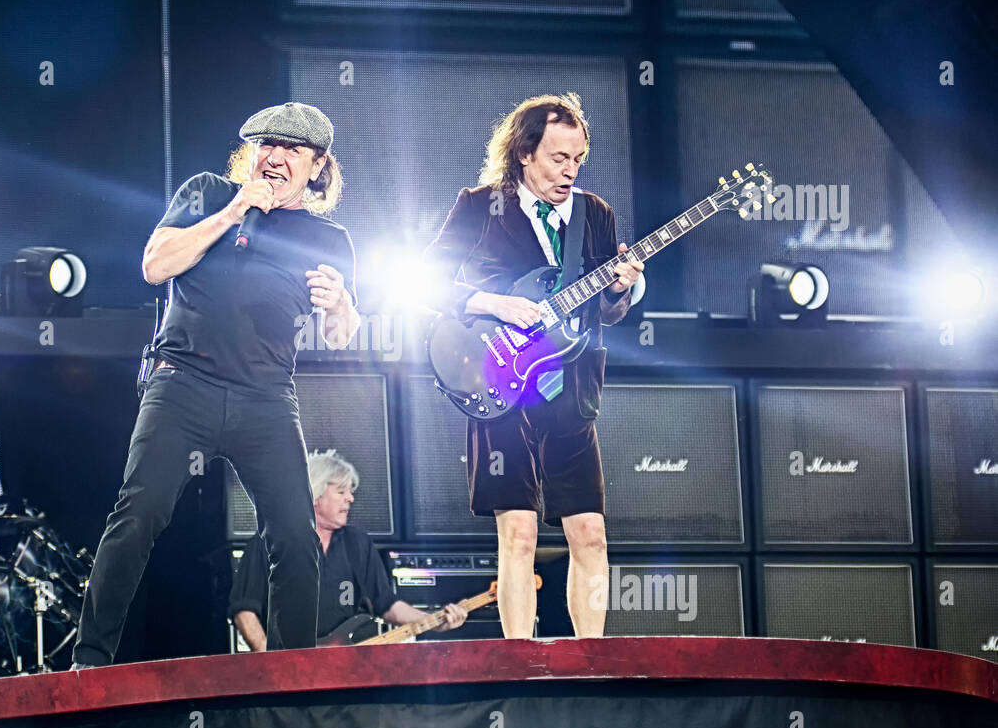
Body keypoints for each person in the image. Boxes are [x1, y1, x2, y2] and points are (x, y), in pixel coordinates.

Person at [72, 103, 361, 667]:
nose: (275, 158)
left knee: (296, 540)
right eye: (265, 146)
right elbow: (156, 267)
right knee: (139, 514)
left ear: (317, 165)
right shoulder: (207, 193)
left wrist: (342, 304)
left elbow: (342, 332)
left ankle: (292, 677)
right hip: (184, 383)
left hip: (267, 398)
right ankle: (90, 662)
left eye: (291, 150)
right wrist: (234, 211)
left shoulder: (329, 238)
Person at [423, 93, 643, 639]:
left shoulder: (595, 214)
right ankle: (519, 662)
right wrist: (493, 304)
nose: (568, 171)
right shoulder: (480, 205)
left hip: (572, 388)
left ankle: (593, 661)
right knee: (518, 532)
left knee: (590, 533)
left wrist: (624, 289)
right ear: (524, 153)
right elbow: (426, 280)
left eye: (577, 160)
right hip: (497, 380)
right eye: (556, 159)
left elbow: (604, 312)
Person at [230, 449, 467, 650]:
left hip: (348, 666)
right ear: (315, 495)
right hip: (288, 664)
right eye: (341, 491)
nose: (350, 499)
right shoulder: (270, 541)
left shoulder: (358, 543)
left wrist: (434, 621)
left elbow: (386, 605)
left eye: (350, 492)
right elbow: (245, 611)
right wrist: (271, 662)